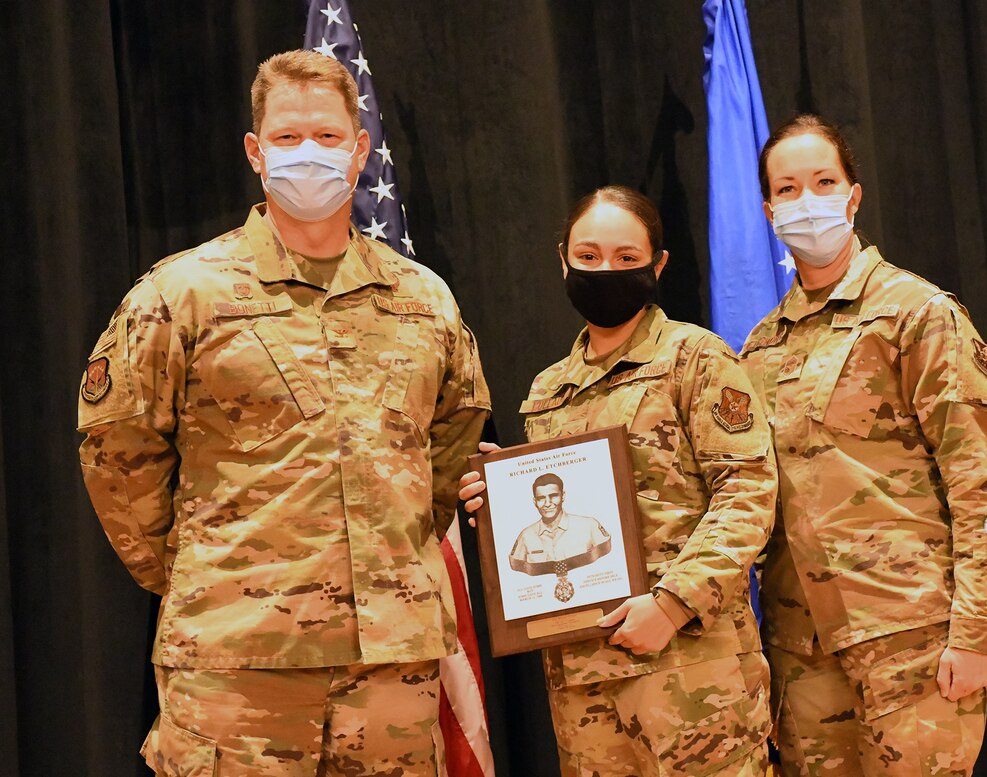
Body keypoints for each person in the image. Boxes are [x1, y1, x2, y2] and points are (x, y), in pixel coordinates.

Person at [76, 50, 490, 777]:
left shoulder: (424, 301)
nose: (310, 153)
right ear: (255, 150)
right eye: (290, 136)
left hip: (390, 670)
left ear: (361, 151)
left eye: (329, 138)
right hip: (237, 666)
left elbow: (449, 444)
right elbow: (117, 449)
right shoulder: (183, 294)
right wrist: (207, 569)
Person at [741, 114, 987, 776]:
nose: (805, 200)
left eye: (822, 181)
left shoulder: (917, 314)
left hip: (912, 641)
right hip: (801, 655)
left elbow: (983, 483)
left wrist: (979, 632)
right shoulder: (759, 348)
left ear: (853, 194)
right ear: (768, 209)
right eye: (787, 189)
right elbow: (739, 496)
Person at [460, 185, 778, 775]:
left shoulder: (697, 359)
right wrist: (496, 502)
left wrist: (673, 603)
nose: (606, 270)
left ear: (658, 264)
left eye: (626, 257)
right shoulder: (547, 390)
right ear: (563, 260)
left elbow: (748, 496)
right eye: (589, 256)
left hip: (690, 670)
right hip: (582, 683)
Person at [509, 472, 613, 602]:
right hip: (544, 605)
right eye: (541, 498)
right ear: (534, 501)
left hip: (594, 598)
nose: (547, 503)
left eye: (553, 496)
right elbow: (518, 578)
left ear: (563, 496)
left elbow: (608, 566)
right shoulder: (526, 536)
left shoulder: (589, 526)